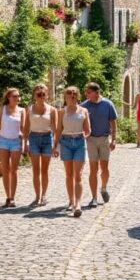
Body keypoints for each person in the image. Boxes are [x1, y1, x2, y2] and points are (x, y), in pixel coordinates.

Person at [55, 86, 90, 218]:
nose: (72, 95)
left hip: (79, 142)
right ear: (65, 96)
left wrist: (82, 137)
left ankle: (78, 204)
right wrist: (55, 146)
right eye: (69, 93)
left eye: (74, 93)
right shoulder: (61, 112)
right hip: (66, 142)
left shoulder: (84, 111)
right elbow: (58, 129)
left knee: (78, 175)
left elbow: (88, 130)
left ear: (78, 96)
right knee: (69, 174)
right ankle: (71, 200)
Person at [81, 82, 118, 208]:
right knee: (93, 169)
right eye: (87, 92)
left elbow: (113, 122)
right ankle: (94, 198)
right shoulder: (84, 106)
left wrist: (114, 139)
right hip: (90, 140)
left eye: (89, 92)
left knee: (105, 168)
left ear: (97, 93)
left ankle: (103, 188)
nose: (87, 94)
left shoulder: (107, 104)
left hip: (104, 139)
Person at [0, 88, 28, 207]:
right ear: (8, 97)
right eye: (14, 96)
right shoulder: (2, 110)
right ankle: (8, 196)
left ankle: (13, 197)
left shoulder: (22, 111)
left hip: (16, 141)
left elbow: (23, 129)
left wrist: (25, 143)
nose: (17, 98)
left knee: (14, 170)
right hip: (3, 141)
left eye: (18, 96)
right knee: (5, 170)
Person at [22, 84, 57, 207]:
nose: (41, 96)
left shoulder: (52, 110)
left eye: (43, 94)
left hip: (47, 138)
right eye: (38, 94)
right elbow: (26, 128)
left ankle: (44, 196)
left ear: (47, 95)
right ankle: (37, 196)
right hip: (34, 138)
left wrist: (56, 145)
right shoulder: (29, 109)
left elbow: (55, 129)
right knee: (35, 170)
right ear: (34, 95)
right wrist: (25, 143)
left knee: (45, 170)